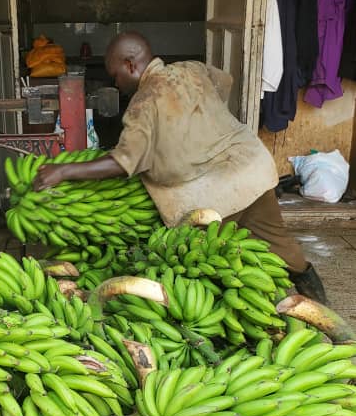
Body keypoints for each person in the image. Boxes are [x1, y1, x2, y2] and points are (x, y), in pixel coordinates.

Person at [34, 32, 326, 302]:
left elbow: (122, 162)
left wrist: (62, 171)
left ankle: (225, 320)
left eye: (116, 75)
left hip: (213, 194)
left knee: (191, 263)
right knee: (279, 242)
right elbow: (225, 83)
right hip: (251, 169)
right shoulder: (192, 69)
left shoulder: (144, 102)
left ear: (130, 64)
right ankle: (317, 298)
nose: (116, 84)